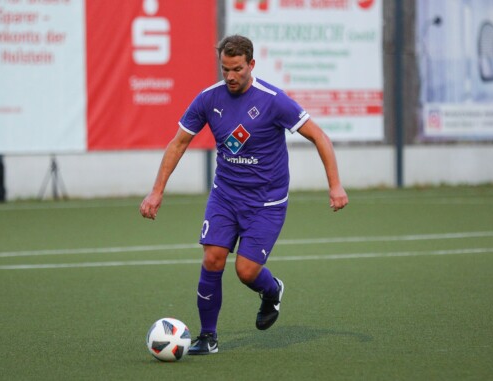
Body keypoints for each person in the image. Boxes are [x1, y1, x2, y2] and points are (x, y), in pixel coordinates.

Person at [139, 35, 348, 355]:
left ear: (251, 65)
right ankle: (208, 337)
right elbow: (178, 143)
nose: (231, 76)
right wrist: (156, 191)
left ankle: (272, 289)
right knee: (212, 258)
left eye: (237, 69)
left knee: (246, 271)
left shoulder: (273, 100)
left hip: (266, 202)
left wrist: (335, 185)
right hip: (225, 196)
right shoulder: (209, 99)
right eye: (225, 69)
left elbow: (319, 136)